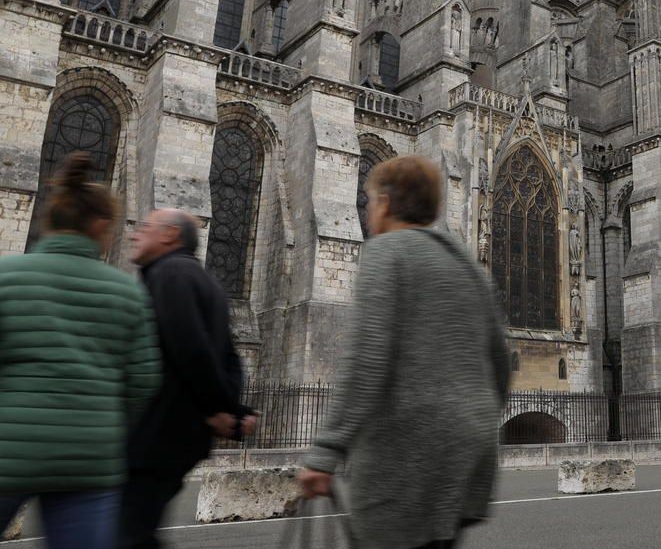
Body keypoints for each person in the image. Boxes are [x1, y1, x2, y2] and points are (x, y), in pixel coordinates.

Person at [299, 155, 510, 549]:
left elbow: (366, 359)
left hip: (408, 449)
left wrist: (327, 450)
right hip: (470, 447)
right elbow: (499, 362)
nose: (367, 209)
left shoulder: (387, 252)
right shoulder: (465, 262)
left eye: (369, 200)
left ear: (386, 203)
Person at [0, 153, 161, 549]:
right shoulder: (128, 293)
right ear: (100, 226)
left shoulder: (7, 278)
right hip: (89, 462)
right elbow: (143, 384)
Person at [120, 208, 254, 549]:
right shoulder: (203, 279)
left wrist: (221, 409)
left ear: (168, 235)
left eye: (144, 228)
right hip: (179, 434)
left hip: (157, 431)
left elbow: (191, 349)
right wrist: (231, 409)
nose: (135, 234)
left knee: (127, 533)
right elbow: (229, 358)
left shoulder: (171, 273)